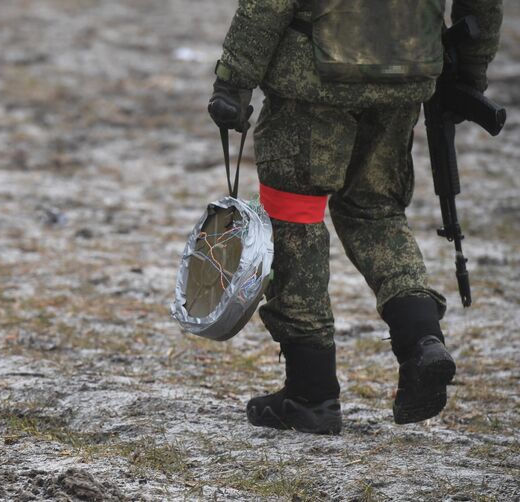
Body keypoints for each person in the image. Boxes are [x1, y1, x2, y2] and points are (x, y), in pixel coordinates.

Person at [207, 0, 503, 434]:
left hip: (315, 79)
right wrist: (470, 73)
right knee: (376, 210)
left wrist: (234, 80)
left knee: (296, 219)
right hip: (408, 69)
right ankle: (422, 341)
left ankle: (311, 394)